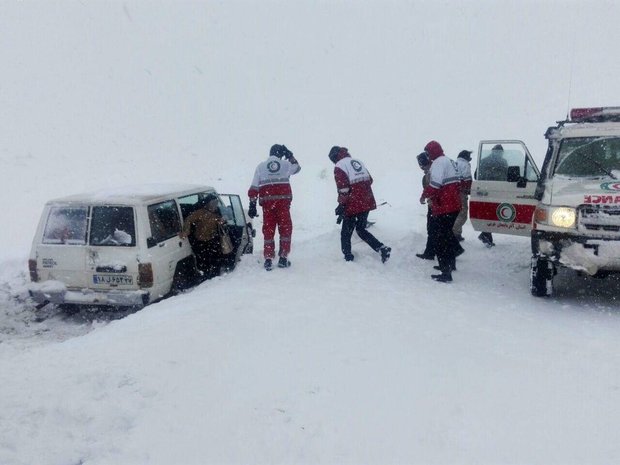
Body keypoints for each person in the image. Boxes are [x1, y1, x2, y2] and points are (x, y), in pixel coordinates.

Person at [329, 146, 391, 263]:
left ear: (334, 157)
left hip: (353, 203)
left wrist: (341, 205)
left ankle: (348, 257)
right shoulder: (357, 161)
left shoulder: (339, 166)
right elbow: (370, 180)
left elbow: (343, 189)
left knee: (346, 232)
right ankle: (382, 248)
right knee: (361, 229)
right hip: (366, 200)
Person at [247, 144, 301, 271]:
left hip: (268, 206)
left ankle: (268, 259)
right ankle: (283, 258)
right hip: (283, 205)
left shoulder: (260, 167)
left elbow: (254, 187)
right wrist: (290, 156)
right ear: (281, 154)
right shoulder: (286, 165)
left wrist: (252, 205)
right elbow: (297, 167)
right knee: (285, 231)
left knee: (268, 231)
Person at [420, 140, 462, 282]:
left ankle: (445, 272)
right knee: (447, 234)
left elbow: (435, 185)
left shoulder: (438, 163)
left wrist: (424, 195)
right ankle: (451, 264)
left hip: (445, 206)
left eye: (428, 152)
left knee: (440, 239)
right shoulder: (449, 161)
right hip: (454, 204)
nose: (427, 155)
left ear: (432, 151)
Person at [179, 193, 227, 280]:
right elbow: (188, 220)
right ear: (207, 203)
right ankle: (205, 277)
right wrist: (186, 231)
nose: (215, 205)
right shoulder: (200, 213)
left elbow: (221, 221)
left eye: (216, 203)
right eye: (213, 203)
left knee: (215, 259)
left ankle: (215, 276)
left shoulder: (217, 212)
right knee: (203, 262)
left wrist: (222, 221)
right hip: (201, 242)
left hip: (213, 240)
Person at [476, 144, 505, 247]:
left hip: (488, 191)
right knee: (492, 214)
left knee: (490, 214)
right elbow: (506, 176)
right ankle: (486, 235)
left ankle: (486, 235)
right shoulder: (502, 162)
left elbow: (476, 174)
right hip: (495, 191)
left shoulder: (484, 161)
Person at [415, 152, 436, 260]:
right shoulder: (433, 170)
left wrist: (424, 197)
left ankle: (431, 252)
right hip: (437, 205)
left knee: (433, 229)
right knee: (435, 230)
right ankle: (430, 252)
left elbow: (431, 189)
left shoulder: (430, 174)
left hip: (436, 206)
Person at [453, 150, 473, 242]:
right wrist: (469, 190)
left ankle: (457, 234)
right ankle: (453, 233)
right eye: (469, 157)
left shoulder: (454, 163)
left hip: (453, 192)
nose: (470, 159)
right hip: (461, 192)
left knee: (456, 213)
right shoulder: (465, 165)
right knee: (463, 214)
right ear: (465, 157)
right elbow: (467, 180)